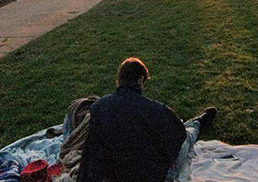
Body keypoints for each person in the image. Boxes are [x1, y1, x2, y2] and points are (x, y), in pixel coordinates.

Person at [77, 58, 217, 182]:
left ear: (119, 80)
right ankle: (197, 123)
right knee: (187, 137)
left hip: (112, 175)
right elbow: (179, 137)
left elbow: (91, 151)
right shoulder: (156, 110)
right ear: (139, 81)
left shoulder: (98, 108)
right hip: (154, 175)